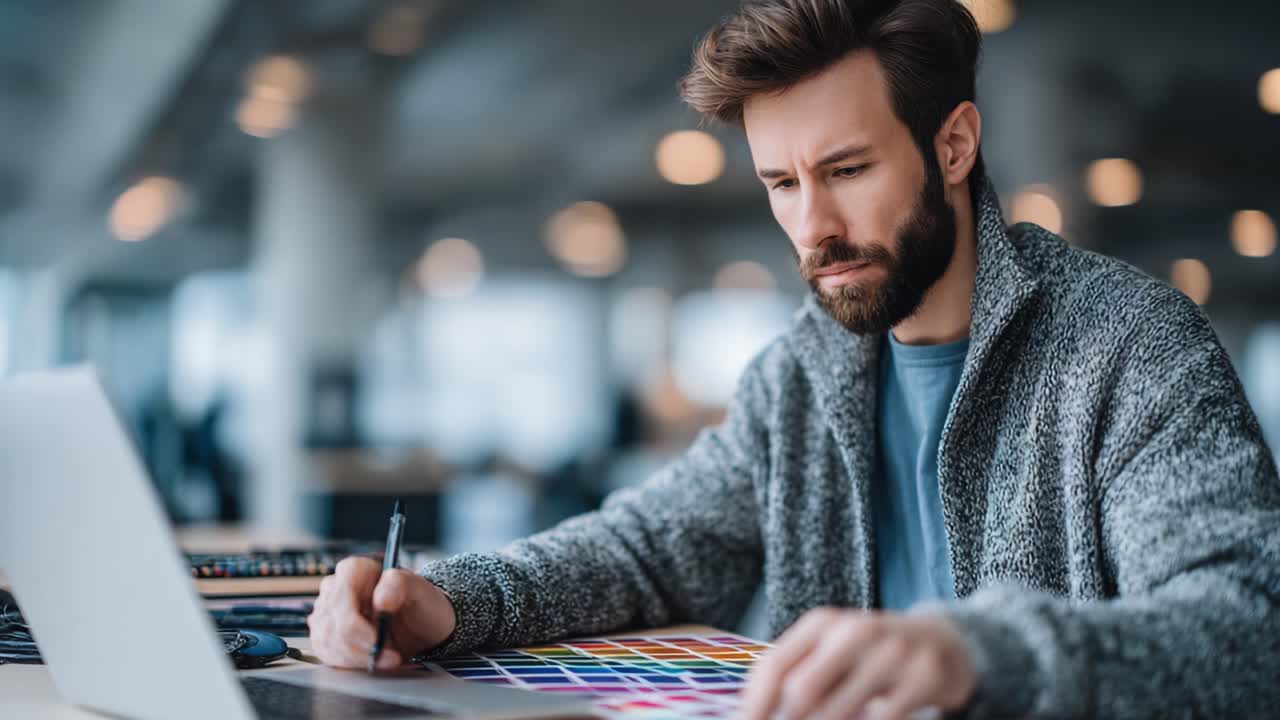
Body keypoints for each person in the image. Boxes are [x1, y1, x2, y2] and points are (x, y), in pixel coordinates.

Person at [307, 1, 1280, 717]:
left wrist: (971, 655)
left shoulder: (1127, 344)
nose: (812, 226)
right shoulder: (798, 377)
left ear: (952, 146)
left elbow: (1246, 628)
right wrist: (446, 599)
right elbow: (648, 548)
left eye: (846, 170)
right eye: (781, 183)